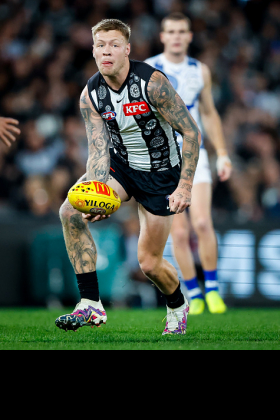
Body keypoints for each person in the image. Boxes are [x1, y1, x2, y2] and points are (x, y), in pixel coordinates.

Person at [55, 18, 201, 335]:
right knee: (70, 211)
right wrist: (94, 190)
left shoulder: (152, 84)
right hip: (121, 166)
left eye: (114, 45)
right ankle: (90, 303)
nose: (107, 51)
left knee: (149, 264)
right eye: (100, 45)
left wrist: (185, 186)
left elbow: (191, 132)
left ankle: (177, 305)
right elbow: (97, 150)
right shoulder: (90, 95)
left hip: (161, 174)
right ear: (93, 51)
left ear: (127, 50)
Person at [146, 13, 232, 315]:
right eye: (171, 31)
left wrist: (222, 152)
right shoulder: (149, 70)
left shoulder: (200, 70)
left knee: (203, 223)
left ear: (190, 36)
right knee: (179, 233)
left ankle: (213, 289)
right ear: (162, 36)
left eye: (182, 31)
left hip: (196, 155)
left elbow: (209, 113)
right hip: (165, 158)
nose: (177, 36)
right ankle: (194, 293)